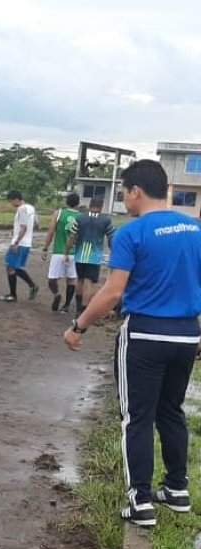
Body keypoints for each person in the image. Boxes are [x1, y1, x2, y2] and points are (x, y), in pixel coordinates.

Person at [63, 159, 201, 527]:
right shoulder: (194, 229)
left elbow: (112, 292)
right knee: (171, 411)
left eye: (124, 192)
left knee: (136, 418)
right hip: (187, 335)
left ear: (136, 191)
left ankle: (139, 500)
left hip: (144, 335)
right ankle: (177, 489)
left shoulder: (132, 233)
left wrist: (79, 325)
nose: (124, 198)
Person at [66, 196, 115, 315]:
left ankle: (78, 308)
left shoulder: (80, 218)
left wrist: (67, 251)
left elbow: (72, 236)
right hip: (94, 256)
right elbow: (110, 237)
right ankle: (84, 309)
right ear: (101, 206)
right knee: (89, 282)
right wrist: (113, 250)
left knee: (80, 280)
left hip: (79, 255)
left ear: (90, 205)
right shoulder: (106, 220)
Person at [43, 193, 81, 313]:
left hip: (59, 251)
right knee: (71, 280)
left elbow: (50, 232)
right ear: (78, 204)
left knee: (52, 279)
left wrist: (45, 247)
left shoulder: (59, 213)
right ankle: (66, 306)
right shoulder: (81, 217)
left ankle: (56, 293)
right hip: (74, 253)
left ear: (66, 202)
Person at [0, 190, 40, 302]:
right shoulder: (30, 208)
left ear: (16, 199)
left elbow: (24, 227)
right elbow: (37, 224)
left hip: (20, 243)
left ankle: (20, 291)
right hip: (27, 242)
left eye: (11, 201)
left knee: (11, 266)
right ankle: (22, 290)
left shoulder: (22, 209)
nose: (11, 204)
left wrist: (16, 241)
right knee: (13, 267)